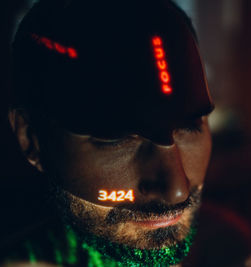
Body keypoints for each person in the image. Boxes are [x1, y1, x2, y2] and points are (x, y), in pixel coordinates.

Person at [1, 0, 214, 266]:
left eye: (189, 126)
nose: (178, 191)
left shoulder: (229, 250)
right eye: (116, 139)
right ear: (31, 138)